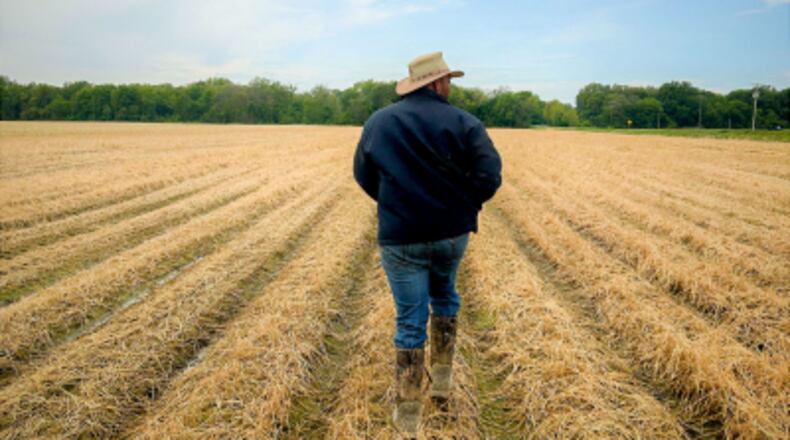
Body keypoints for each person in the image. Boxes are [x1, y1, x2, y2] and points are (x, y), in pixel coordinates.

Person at [353, 51, 502, 435]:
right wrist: (464, 206)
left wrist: (394, 205)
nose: (450, 87)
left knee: (409, 320)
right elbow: (490, 176)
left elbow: (363, 175)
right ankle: (442, 382)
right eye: (448, 80)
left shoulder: (379, 122)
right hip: (451, 236)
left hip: (400, 239)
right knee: (446, 297)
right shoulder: (465, 122)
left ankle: (407, 414)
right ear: (435, 84)